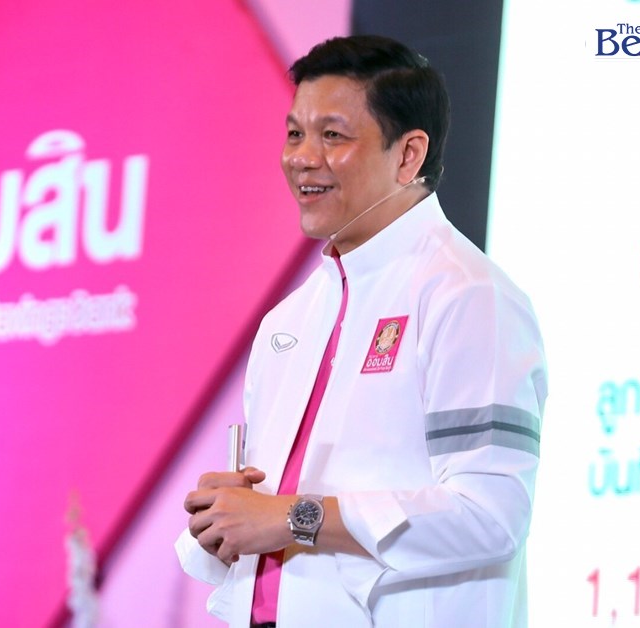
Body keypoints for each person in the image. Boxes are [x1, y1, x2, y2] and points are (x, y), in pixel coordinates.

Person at [175, 35, 547, 627]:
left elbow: (492, 514)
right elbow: (269, 525)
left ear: (409, 155)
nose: (302, 158)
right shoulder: (288, 320)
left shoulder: (468, 294)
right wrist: (225, 519)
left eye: (333, 135)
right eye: (294, 133)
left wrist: (292, 517)